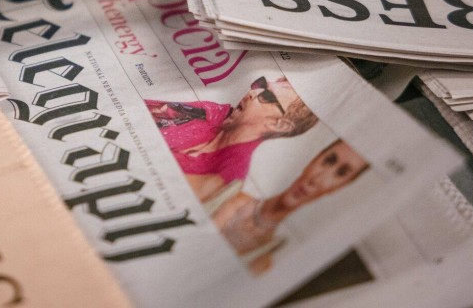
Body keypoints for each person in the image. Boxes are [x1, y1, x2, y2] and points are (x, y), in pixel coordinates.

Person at [146, 76, 318, 202]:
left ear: (280, 125)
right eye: (260, 84)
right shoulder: (215, 114)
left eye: (267, 96)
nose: (252, 92)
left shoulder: (228, 174)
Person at [212, 139, 369, 272]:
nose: (317, 179)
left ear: (341, 186)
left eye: (341, 173)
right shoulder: (227, 193)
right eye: (328, 160)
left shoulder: (264, 261)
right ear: (315, 159)